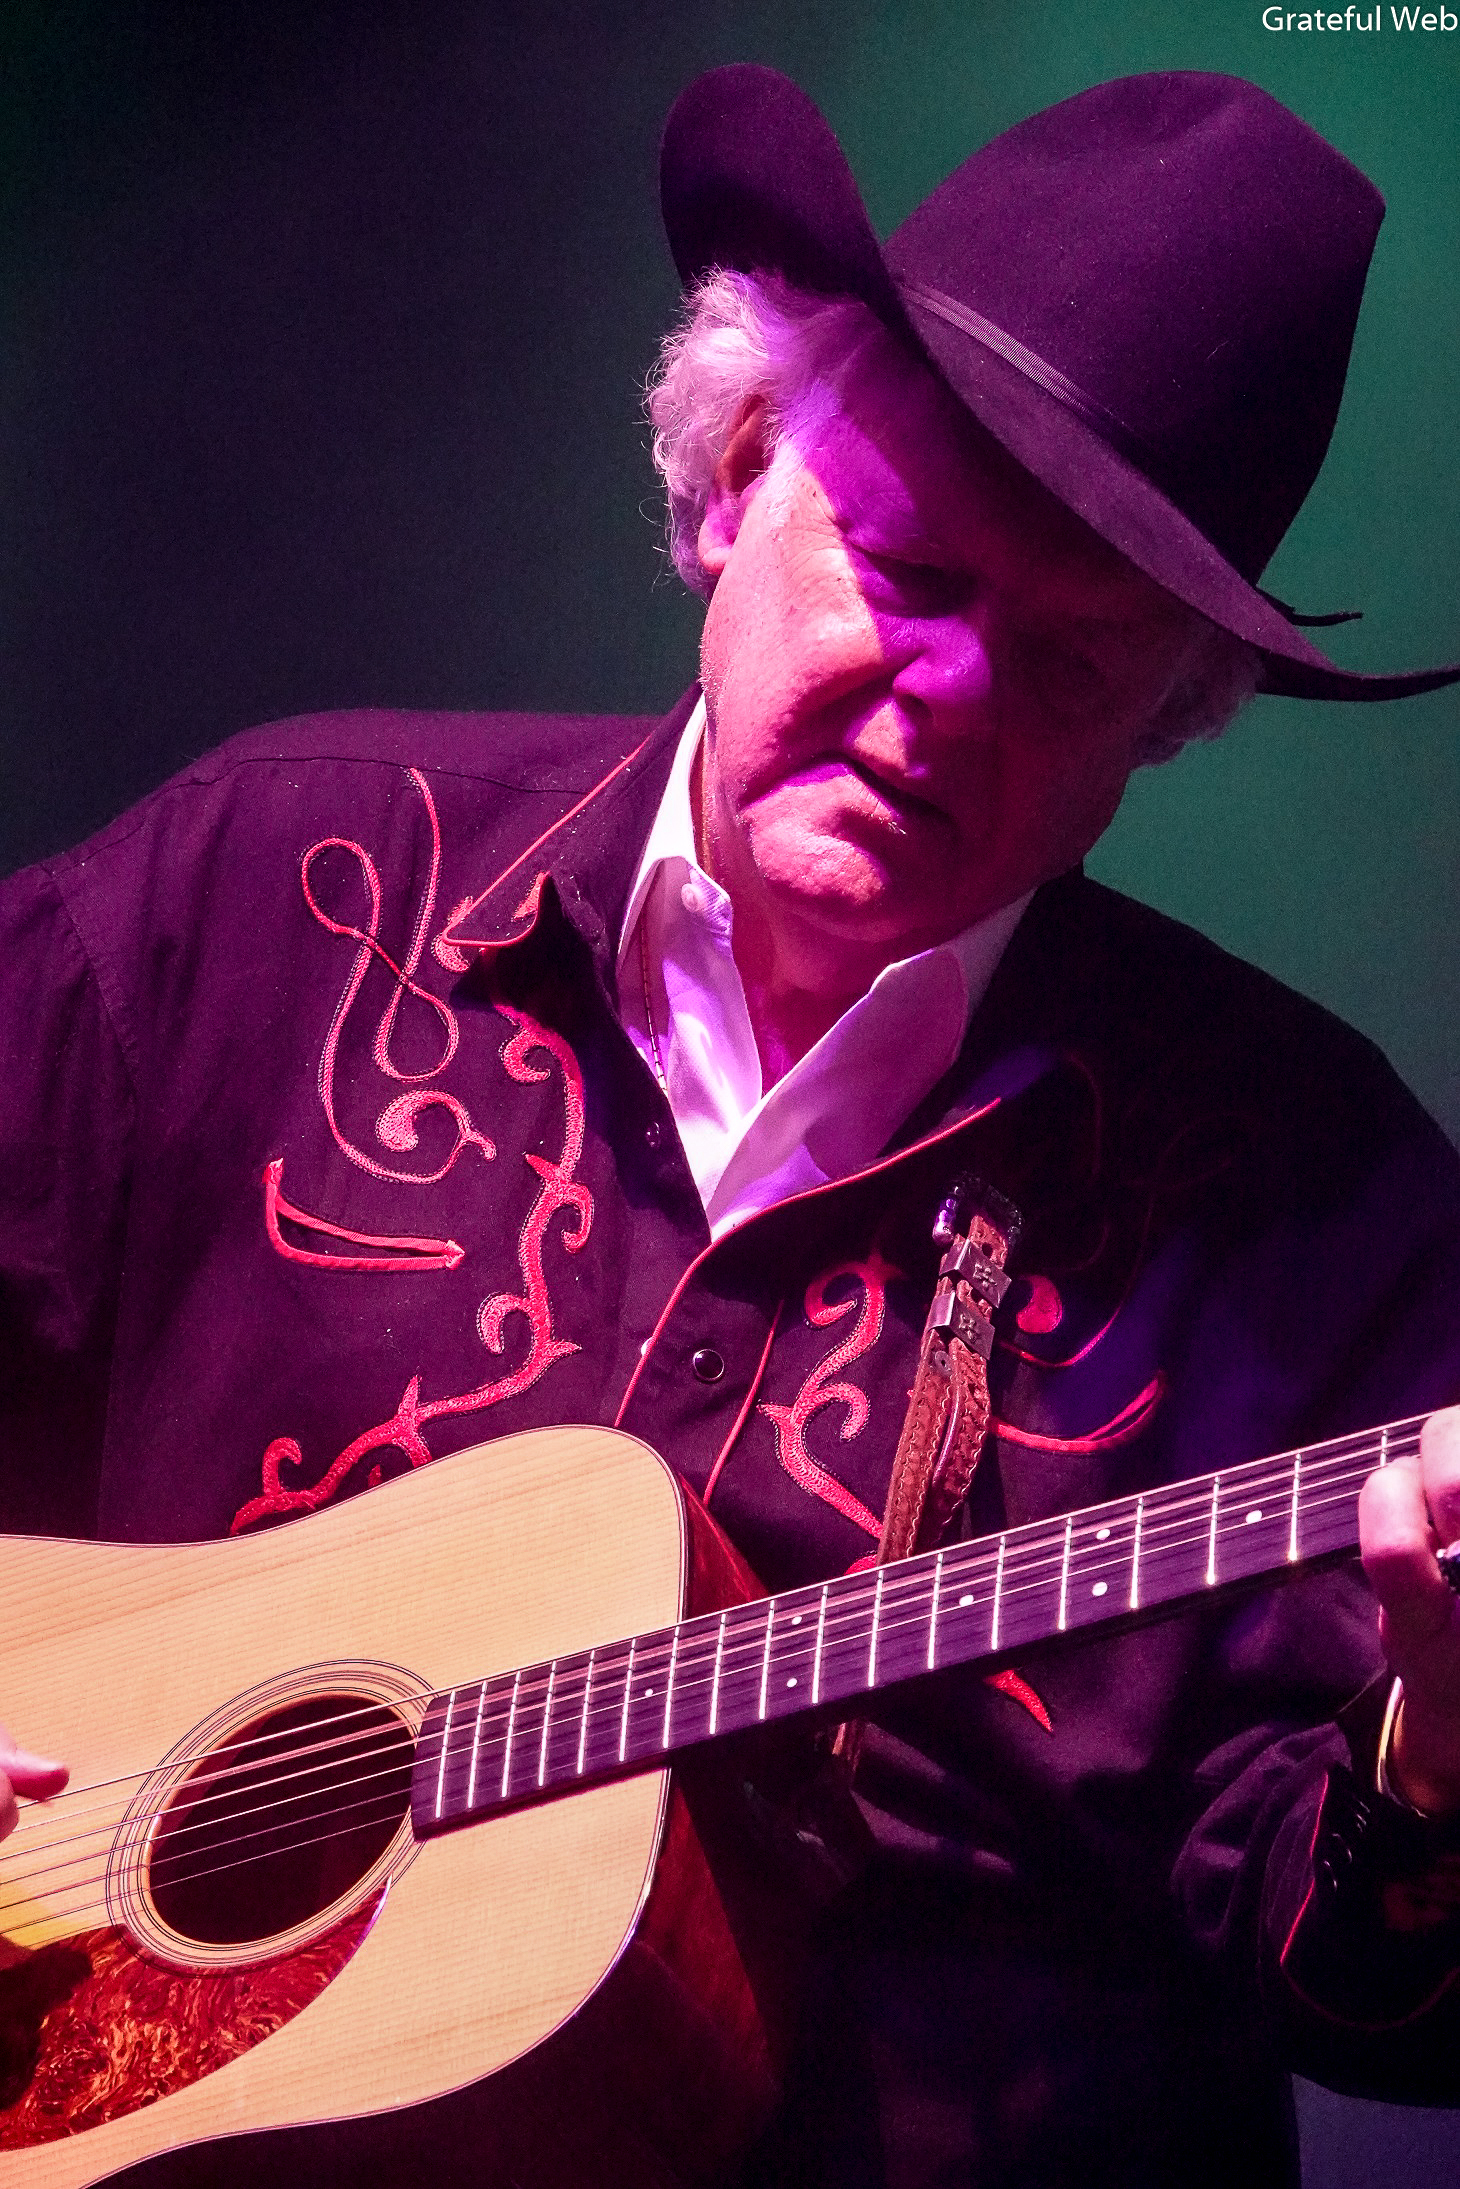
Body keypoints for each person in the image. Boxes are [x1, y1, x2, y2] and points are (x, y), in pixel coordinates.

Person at [2, 61, 1460, 2188]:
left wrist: (1442, 1764)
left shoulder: (1315, 1204)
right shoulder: (268, 887)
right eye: (911, 572)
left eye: (1067, 672)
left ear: (1167, 729)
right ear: (730, 477)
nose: (944, 696)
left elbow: (1385, 2016)